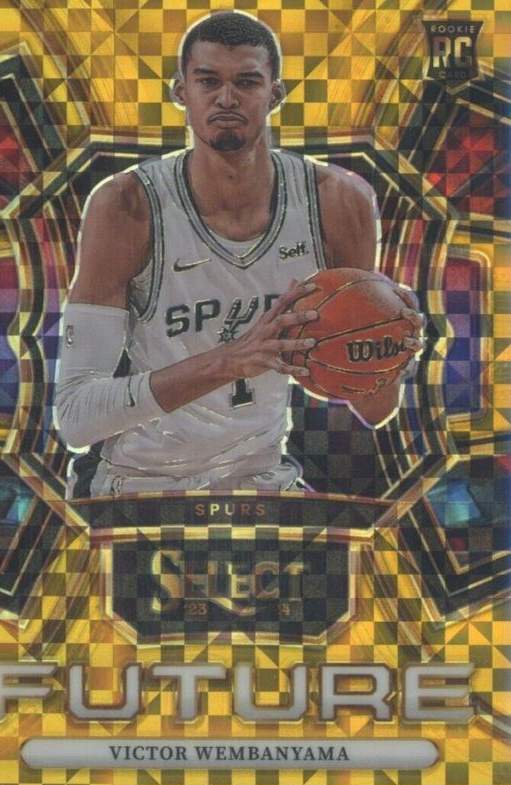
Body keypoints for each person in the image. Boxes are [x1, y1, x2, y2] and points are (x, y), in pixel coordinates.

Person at [55, 11, 423, 498]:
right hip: (136, 481)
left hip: (261, 480)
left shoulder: (336, 202)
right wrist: (231, 360)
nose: (227, 98)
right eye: (209, 81)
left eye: (246, 82)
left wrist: (388, 350)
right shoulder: (127, 205)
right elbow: (76, 419)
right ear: (181, 91)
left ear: (275, 94)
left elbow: (376, 410)